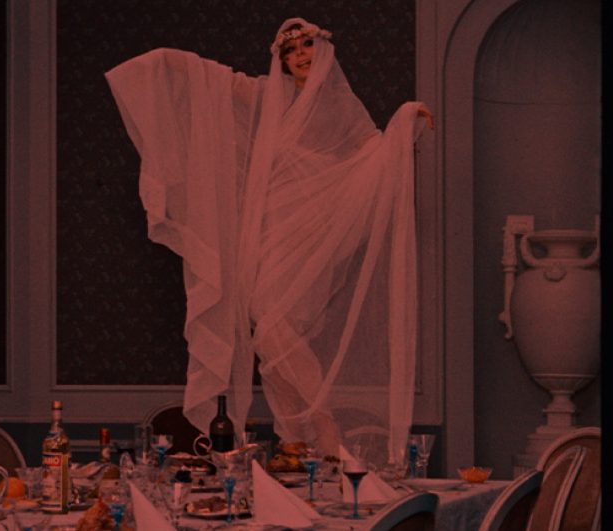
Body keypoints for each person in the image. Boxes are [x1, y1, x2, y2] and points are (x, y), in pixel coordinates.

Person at [105, 17, 433, 464]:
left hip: (315, 230)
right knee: (270, 330)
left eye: (306, 46)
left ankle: (321, 427)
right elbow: (216, 82)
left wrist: (404, 121)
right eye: (290, 50)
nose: (300, 56)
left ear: (324, 51)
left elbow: (372, 157)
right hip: (273, 227)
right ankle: (296, 439)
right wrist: (167, 61)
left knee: (277, 328)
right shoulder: (267, 97)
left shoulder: (341, 106)